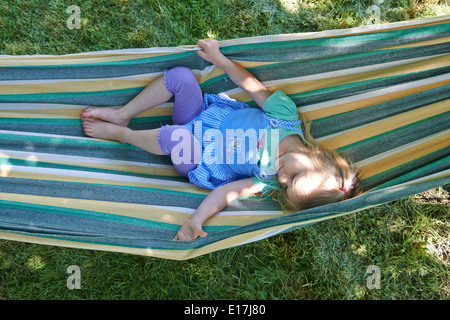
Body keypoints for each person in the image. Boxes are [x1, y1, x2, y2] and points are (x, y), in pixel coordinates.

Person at [82, 39, 361, 241]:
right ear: (318, 157)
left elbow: (224, 194)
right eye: (295, 176)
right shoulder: (285, 116)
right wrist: (220, 60)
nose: (284, 179)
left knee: (178, 137)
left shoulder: (266, 177)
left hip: (195, 157)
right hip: (201, 117)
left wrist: (196, 220)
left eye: (287, 187)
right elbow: (251, 85)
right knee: (181, 77)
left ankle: (123, 135)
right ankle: (123, 114)